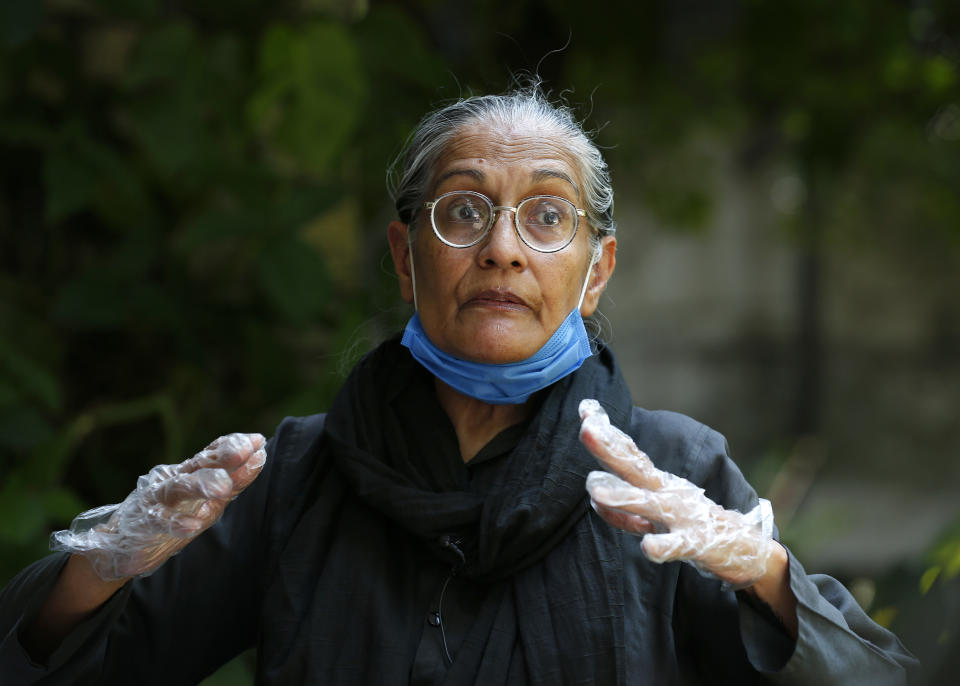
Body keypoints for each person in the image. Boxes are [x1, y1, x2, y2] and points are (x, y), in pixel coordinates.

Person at [0, 84, 917, 685]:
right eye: (465, 210)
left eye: (546, 216)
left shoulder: (670, 478)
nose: (503, 249)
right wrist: (97, 570)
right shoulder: (298, 473)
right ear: (406, 256)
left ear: (596, 272)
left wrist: (765, 575)